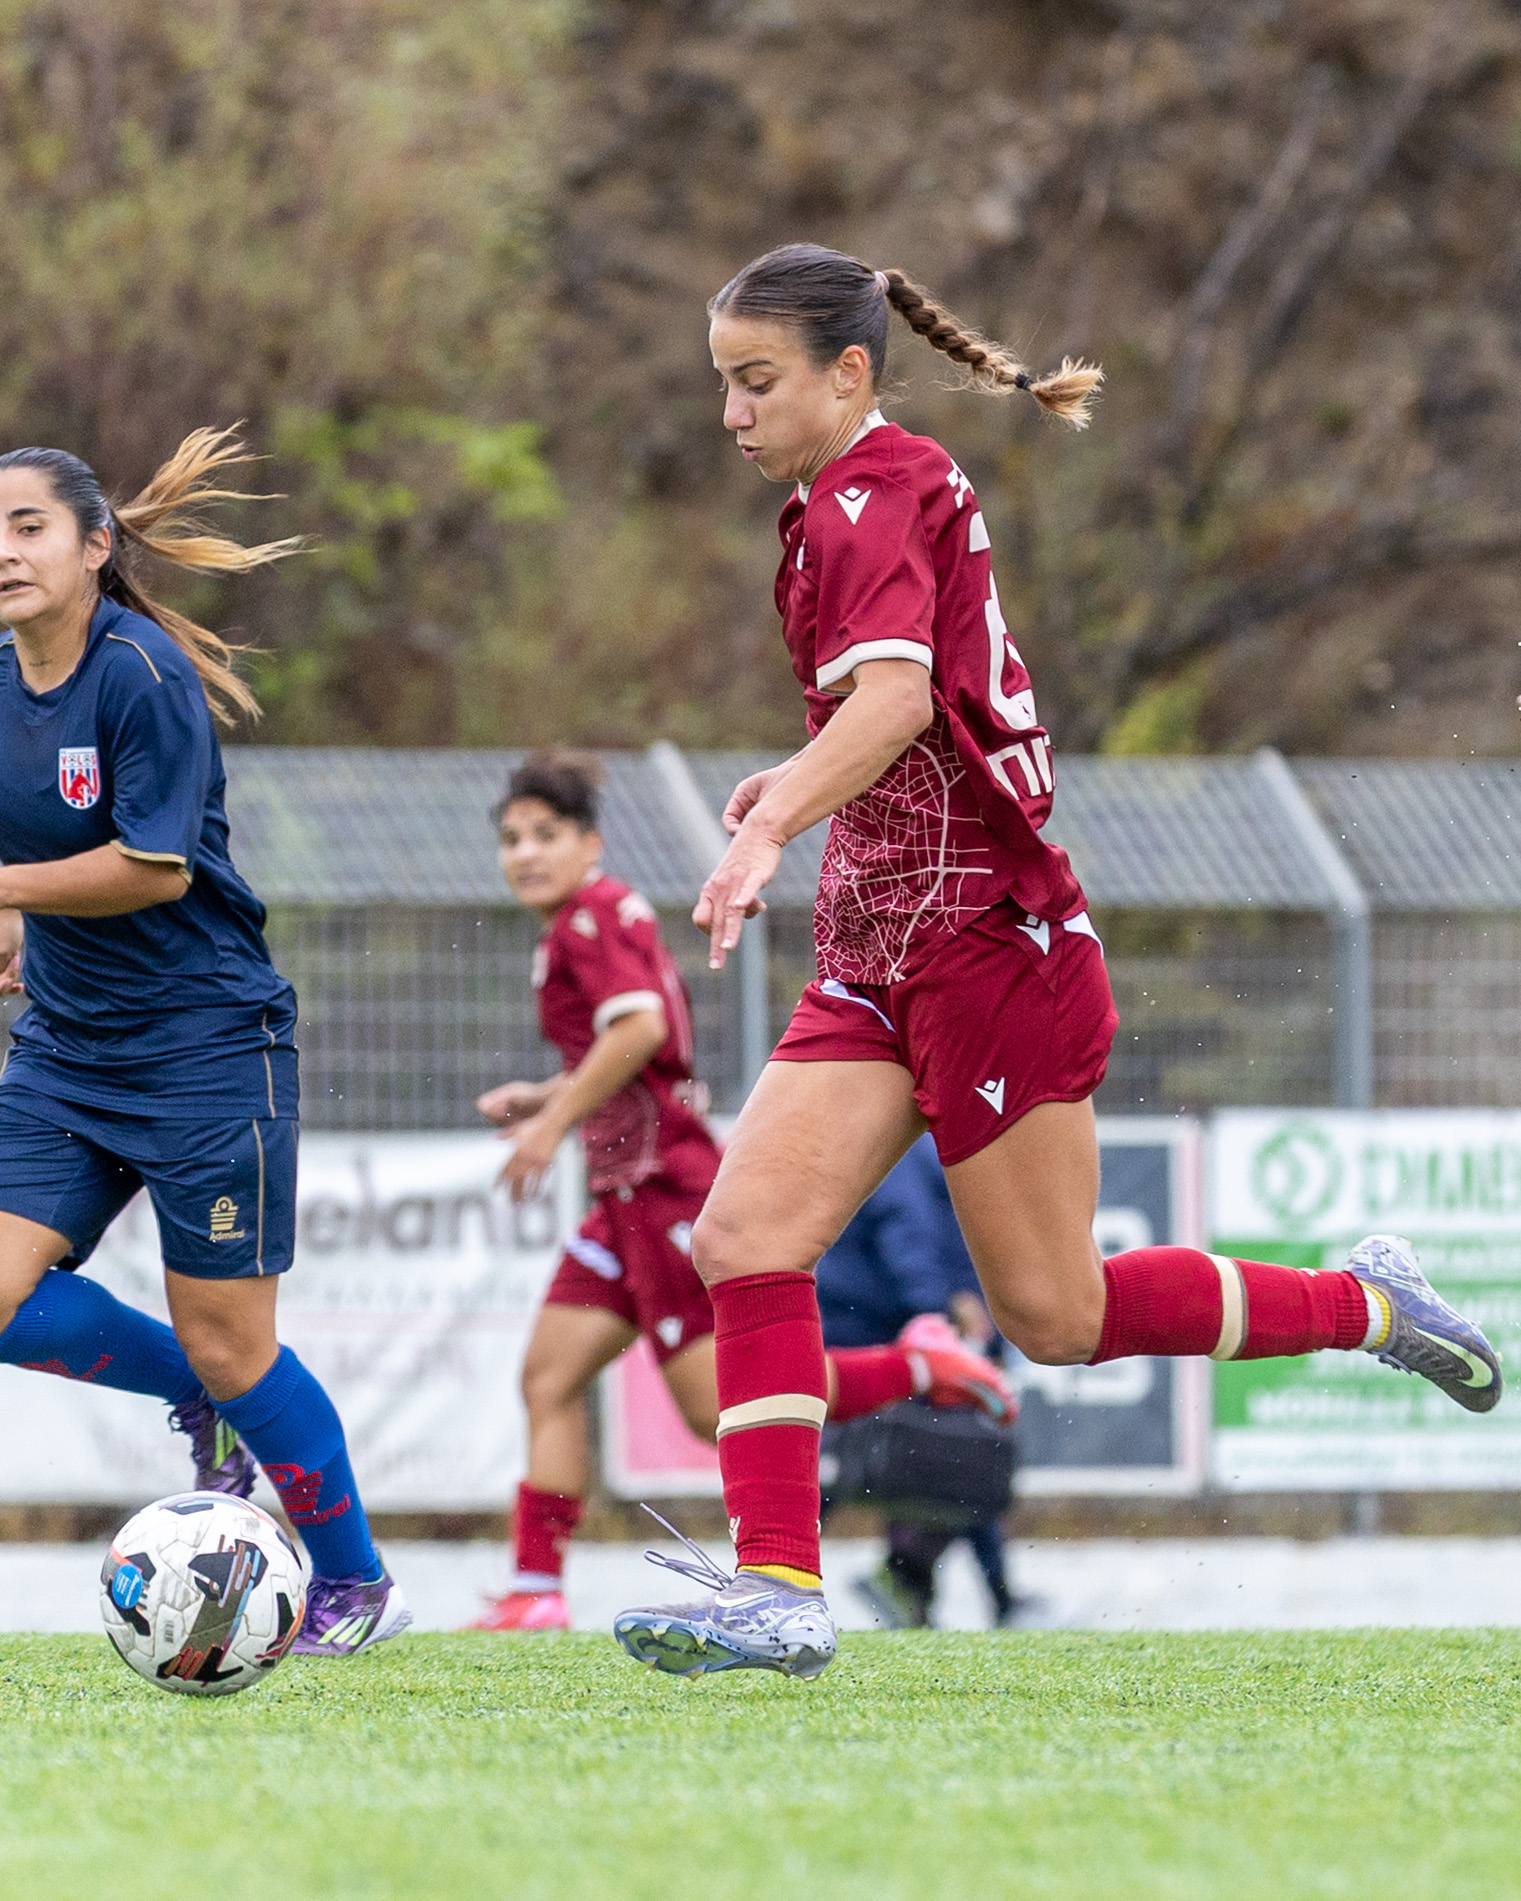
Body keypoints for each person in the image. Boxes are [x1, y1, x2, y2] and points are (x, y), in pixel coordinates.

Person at [612, 243, 1502, 1680]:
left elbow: (899, 698)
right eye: (723, 382)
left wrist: (774, 816)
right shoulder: (853, 494)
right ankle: (777, 1587)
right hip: (879, 947)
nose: (731, 412)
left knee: (1057, 1314)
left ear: (850, 371)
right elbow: (905, 709)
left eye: (755, 380)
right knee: (744, 1241)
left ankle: (1369, 1303)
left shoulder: (869, 491)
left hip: (985, 946)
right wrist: (804, 787)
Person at [0, 431, 409, 1655]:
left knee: (238, 1341)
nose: (4, 550)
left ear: (95, 545)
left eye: (27, 525)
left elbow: (154, 865)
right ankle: (195, 1388)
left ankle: (357, 1585)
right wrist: (16, 927)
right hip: (67, 1050)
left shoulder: (142, 672)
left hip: (207, 1049)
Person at [465, 751, 1011, 1632]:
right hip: (624, 1198)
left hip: (663, 1189)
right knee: (548, 1376)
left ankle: (923, 1366)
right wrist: (549, 1096)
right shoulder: (588, 918)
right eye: (511, 838)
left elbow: (640, 1027)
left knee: (714, 1406)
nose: (525, 852)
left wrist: (551, 1121)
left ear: (589, 844)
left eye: (545, 834)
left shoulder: (588, 919)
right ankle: (537, 1589)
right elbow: (638, 1047)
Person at [817, 1133, 1019, 1628]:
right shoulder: (905, 1132)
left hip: (869, 1316)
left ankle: (916, 1584)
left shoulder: (904, 1132)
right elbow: (905, 1226)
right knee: (961, 1452)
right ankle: (967, 1591)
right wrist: (936, 1309)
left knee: (933, 1458)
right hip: (885, 1324)